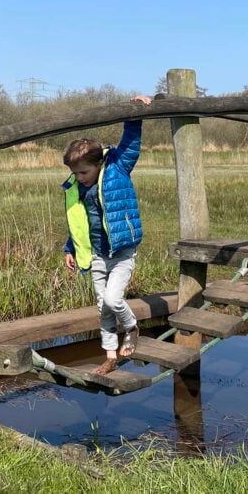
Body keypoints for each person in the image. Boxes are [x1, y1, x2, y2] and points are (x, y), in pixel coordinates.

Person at [62, 95, 152, 375]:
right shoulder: (77, 188)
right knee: (102, 307)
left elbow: (130, 144)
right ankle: (110, 356)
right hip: (97, 254)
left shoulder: (117, 169)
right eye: (75, 173)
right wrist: (70, 249)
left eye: (84, 172)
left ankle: (132, 326)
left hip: (122, 252)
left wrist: (134, 114)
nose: (79, 177)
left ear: (98, 162)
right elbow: (79, 223)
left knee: (113, 300)